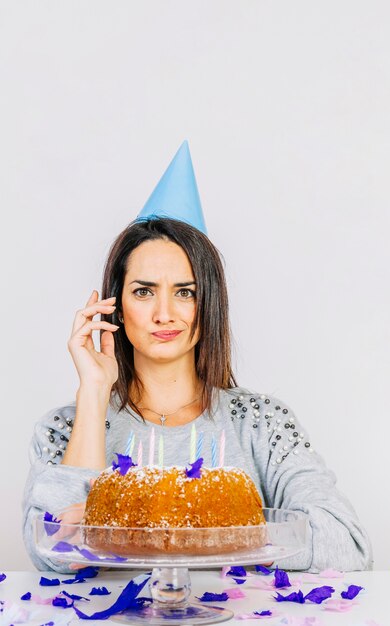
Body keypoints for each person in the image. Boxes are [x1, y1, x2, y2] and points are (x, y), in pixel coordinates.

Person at [22, 143, 372, 574]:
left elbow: (348, 546)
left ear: (209, 305)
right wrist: (94, 394)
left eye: (185, 292)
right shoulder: (65, 427)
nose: (164, 313)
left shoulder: (259, 424)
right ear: (115, 303)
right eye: (144, 291)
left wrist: (192, 526)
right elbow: (50, 549)